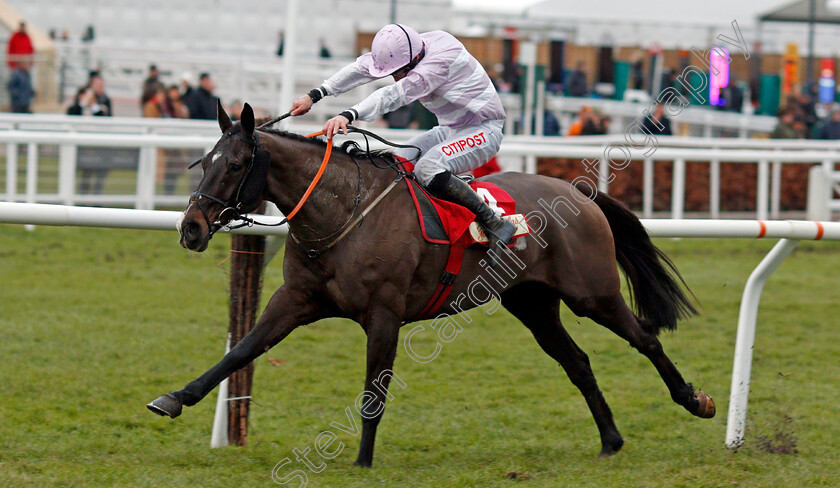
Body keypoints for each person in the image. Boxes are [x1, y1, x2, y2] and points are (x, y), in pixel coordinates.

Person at [290, 24, 515, 258]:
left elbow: (394, 95)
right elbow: (359, 68)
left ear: (416, 58)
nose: (396, 77)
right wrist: (314, 95)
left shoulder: (439, 60)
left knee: (427, 168)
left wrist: (348, 115)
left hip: (484, 130)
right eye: (393, 73)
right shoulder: (409, 48)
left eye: (400, 72)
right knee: (395, 163)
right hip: (449, 130)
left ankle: (494, 222)